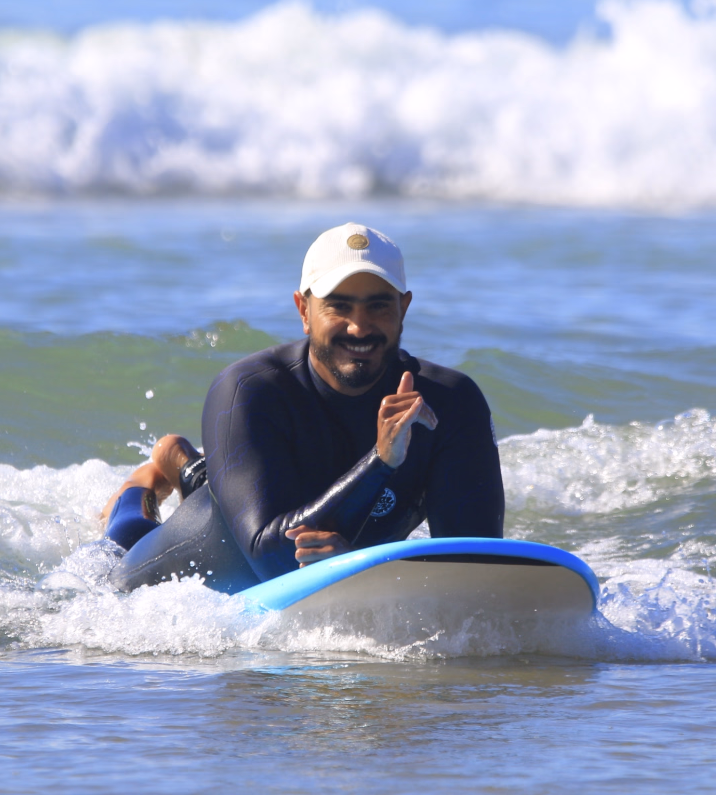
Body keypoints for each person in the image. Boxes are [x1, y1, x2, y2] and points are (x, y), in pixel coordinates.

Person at [102, 223, 505, 593]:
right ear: (303, 310)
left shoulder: (451, 403)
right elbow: (271, 561)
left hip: (260, 497)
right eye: (339, 306)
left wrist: (355, 564)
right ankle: (150, 479)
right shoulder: (250, 390)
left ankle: (189, 466)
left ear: (404, 308)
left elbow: (476, 569)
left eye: (378, 306)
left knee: (238, 484)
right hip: (151, 577)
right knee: (126, 534)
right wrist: (382, 462)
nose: (359, 327)